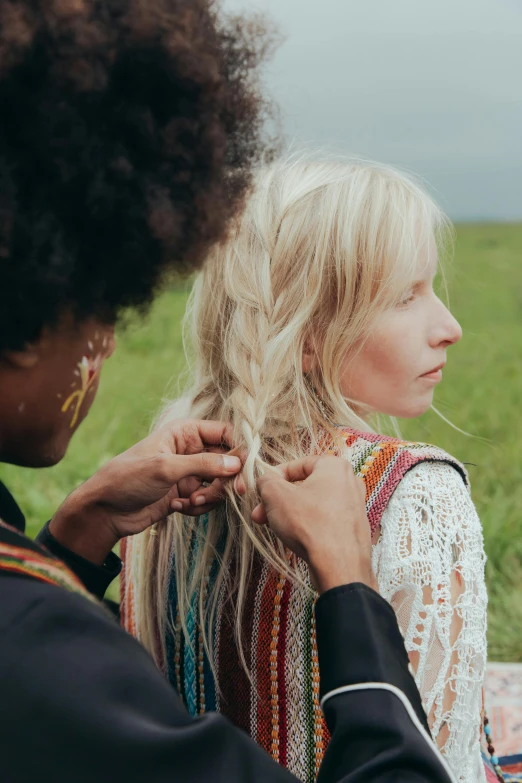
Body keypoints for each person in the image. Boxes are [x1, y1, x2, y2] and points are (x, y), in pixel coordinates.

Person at [0, 0, 456, 780]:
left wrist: (72, 538)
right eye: (96, 300)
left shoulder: (44, 597)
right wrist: (350, 578)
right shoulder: (416, 501)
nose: (104, 343)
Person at [124, 158, 488, 783]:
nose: (448, 328)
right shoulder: (417, 495)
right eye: (405, 296)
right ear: (308, 332)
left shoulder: (162, 469)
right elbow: (440, 766)